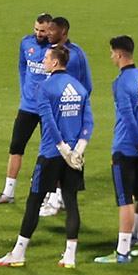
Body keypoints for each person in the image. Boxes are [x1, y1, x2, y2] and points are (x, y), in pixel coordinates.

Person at [0, 45, 92, 269]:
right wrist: (78, 150)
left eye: (47, 57)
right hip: (75, 157)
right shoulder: (79, 88)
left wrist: (63, 149)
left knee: (34, 201)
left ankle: (19, 253)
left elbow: (49, 121)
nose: (43, 60)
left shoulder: (46, 88)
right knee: (71, 201)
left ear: (55, 62)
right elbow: (89, 122)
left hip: (51, 154)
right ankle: (70, 257)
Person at [95, 36, 138, 264]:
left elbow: (128, 118)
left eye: (113, 53)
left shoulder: (121, 83)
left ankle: (122, 252)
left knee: (125, 200)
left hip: (125, 148)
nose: (112, 57)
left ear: (120, 54)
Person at [0, 12, 52, 205]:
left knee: (49, 151)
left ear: (50, 30)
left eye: (43, 31)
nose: (39, 34)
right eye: (37, 29)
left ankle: (49, 195)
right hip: (28, 106)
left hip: (48, 108)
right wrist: (25, 90)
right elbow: (22, 67)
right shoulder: (26, 43)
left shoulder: (57, 49)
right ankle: (9, 192)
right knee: (16, 146)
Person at [40, 16, 94, 217]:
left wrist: (77, 108)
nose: (47, 33)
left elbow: (86, 85)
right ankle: (56, 196)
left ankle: (56, 199)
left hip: (70, 113)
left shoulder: (76, 55)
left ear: (63, 32)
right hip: (56, 111)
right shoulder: (53, 53)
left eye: (52, 30)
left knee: (67, 153)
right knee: (58, 152)